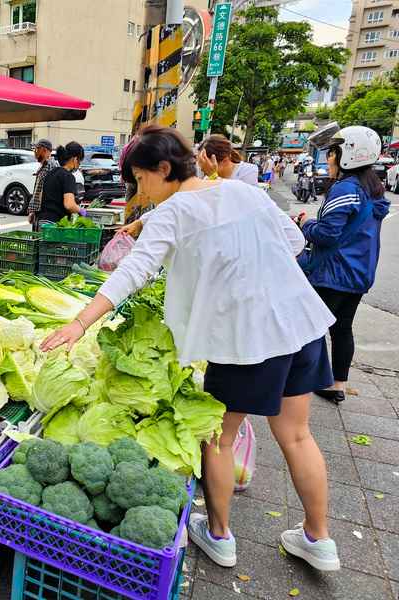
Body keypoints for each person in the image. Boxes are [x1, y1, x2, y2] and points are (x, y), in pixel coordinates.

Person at [41, 125, 340, 572]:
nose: (140, 191)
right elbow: (294, 241)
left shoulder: (173, 213)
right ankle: (319, 539)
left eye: (141, 180)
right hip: (300, 323)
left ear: (163, 169)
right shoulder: (246, 192)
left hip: (246, 340)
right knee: (297, 435)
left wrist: (82, 322)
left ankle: (219, 535)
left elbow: (134, 270)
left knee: (220, 437)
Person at [298, 126, 391, 404]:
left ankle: (299, 383)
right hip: (359, 273)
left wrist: (306, 224)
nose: (328, 159)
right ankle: (337, 384)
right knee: (341, 328)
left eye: (332, 154)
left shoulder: (346, 189)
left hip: (334, 273)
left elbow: (327, 234)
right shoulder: (371, 189)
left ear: (347, 155)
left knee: (309, 326)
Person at [35, 142, 85, 227]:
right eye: (80, 161)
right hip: (56, 225)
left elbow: (40, 197)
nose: (79, 165)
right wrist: (81, 211)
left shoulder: (51, 173)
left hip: (42, 222)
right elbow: (69, 205)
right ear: (75, 159)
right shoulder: (68, 176)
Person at [28, 139, 58, 231]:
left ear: (44, 150)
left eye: (37, 149)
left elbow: (45, 191)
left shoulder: (50, 165)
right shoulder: (44, 165)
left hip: (45, 214)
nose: (35, 152)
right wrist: (33, 211)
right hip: (39, 212)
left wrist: (35, 211)